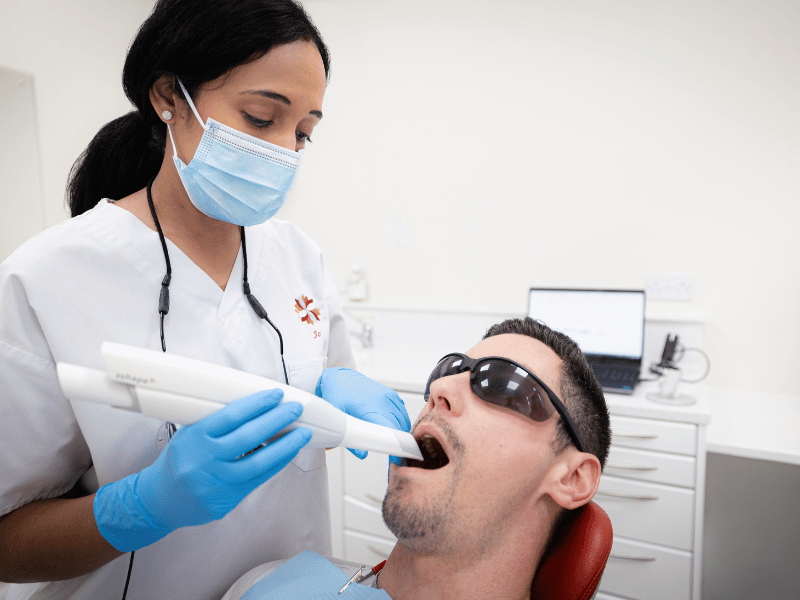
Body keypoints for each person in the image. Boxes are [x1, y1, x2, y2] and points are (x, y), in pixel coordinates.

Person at [0, 1, 409, 599]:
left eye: (303, 133)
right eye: (261, 118)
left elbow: (332, 382)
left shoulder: (297, 256)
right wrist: (141, 506)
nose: (286, 151)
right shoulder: (47, 277)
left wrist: (339, 384)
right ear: (168, 96)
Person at [221, 317, 612, 600]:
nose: (440, 388)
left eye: (500, 384)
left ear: (572, 478)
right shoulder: (266, 584)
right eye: (447, 370)